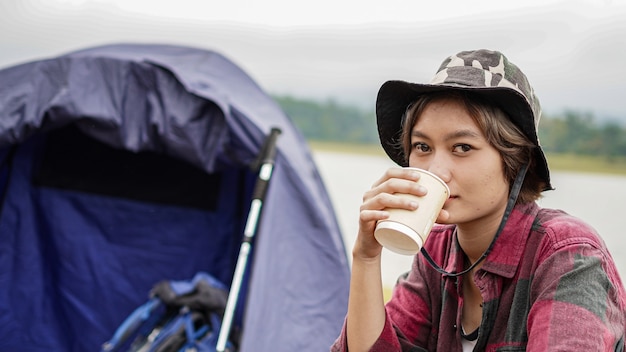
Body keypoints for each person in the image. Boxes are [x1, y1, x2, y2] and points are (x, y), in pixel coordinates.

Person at [330, 49, 626, 351]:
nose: (436, 170)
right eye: (422, 146)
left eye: (462, 147)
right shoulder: (438, 250)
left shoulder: (567, 254)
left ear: (514, 159)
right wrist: (366, 258)